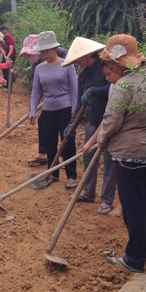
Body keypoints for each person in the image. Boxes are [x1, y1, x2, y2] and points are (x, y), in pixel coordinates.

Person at [93, 34, 146, 273]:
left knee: (133, 206)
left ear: (116, 62)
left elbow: (111, 120)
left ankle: (135, 259)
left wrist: (102, 142)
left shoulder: (123, 85)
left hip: (130, 155)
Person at [61, 37, 116, 215]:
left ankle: (107, 200)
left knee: (108, 161)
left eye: (78, 59)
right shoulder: (83, 74)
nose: (77, 63)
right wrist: (72, 124)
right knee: (87, 156)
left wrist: (94, 91)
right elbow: (79, 102)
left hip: (109, 121)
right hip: (92, 122)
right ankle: (89, 192)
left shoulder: (106, 67)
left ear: (86, 57)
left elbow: (115, 88)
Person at [29, 31, 78, 190]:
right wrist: (32, 111)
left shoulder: (67, 64)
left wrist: (74, 110)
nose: (45, 54)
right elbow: (36, 92)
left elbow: (74, 89)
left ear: (55, 49)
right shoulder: (39, 69)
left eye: (47, 51)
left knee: (68, 141)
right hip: (48, 109)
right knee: (50, 142)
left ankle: (71, 175)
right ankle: (53, 173)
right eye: (42, 52)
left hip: (66, 109)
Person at [19, 34, 72, 166]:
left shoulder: (64, 56)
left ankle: (65, 158)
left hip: (65, 101)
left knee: (66, 132)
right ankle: (45, 155)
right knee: (44, 123)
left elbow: (71, 78)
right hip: (50, 102)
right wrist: (32, 108)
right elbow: (36, 89)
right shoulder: (38, 66)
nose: (44, 54)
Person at [0, 26, 17, 90]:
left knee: (9, 71)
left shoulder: (10, 38)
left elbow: (11, 50)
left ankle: (9, 88)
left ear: (7, 32)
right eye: (2, 33)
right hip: (5, 55)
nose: (4, 35)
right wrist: (2, 50)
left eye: (5, 33)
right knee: (3, 69)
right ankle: (5, 84)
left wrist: (8, 57)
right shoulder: (0, 38)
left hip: (11, 56)